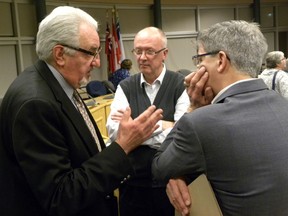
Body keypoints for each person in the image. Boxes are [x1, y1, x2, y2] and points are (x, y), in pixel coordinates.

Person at [0, 6, 163, 216]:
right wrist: (122, 147)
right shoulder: (36, 103)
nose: (97, 62)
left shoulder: (58, 84)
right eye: (91, 52)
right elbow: (60, 196)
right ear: (60, 54)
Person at [152, 20, 288, 216]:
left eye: (199, 60)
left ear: (221, 60)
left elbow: (160, 168)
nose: (197, 68)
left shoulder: (200, 122)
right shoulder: (283, 105)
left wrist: (193, 108)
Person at [106, 26, 190, 216]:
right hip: (132, 183)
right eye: (138, 51)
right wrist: (167, 125)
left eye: (149, 51)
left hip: (170, 182)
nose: (142, 57)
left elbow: (183, 133)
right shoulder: (125, 86)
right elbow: (114, 131)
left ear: (164, 54)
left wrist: (134, 132)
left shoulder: (180, 84)